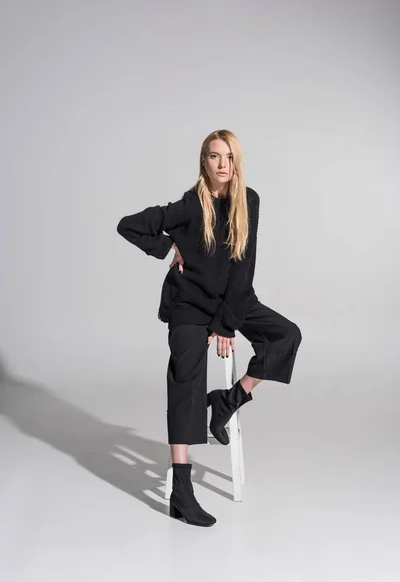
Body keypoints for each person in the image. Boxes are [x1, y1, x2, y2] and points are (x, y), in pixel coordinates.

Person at [117, 129, 302, 527]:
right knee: (185, 371)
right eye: (215, 157)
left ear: (237, 163)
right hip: (190, 302)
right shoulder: (188, 205)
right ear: (204, 161)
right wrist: (167, 248)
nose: (223, 165)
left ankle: (229, 400)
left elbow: (243, 267)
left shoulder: (247, 201)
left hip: (233, 301)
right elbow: (128, 225)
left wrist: (226, 325)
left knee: (286, 336)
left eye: (229, 157)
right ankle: (182, 488)